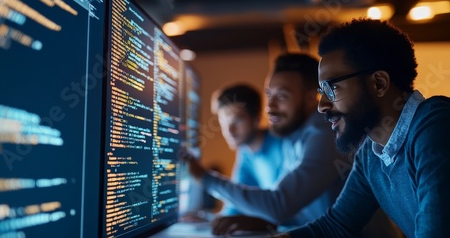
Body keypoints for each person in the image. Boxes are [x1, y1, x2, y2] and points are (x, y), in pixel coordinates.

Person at [274, 18, 450, 238]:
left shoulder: (435, 123)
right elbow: (335, 225)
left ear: (379, 83)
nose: (322, 106)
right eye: (321, 91)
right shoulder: (371, 154)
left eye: (332, 88)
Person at [183, 53, 353, 235]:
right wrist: (263, 223)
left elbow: (279, 205)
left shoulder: (327, 131)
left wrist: (205, 177)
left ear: (311, 98)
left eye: (282, 96)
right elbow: (298, 214)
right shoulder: (291, 136)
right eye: (269, 95)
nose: (269, 106)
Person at [210, 84, 286, 217]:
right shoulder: (245, 153)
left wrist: (205, 177)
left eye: (237, 120)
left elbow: (283, 207)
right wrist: (210, 220)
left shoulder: (282, 145)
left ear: (256, 119)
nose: (229, 131)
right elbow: (236, 204)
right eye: (223, 122)